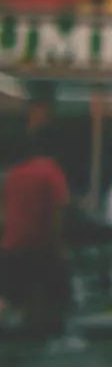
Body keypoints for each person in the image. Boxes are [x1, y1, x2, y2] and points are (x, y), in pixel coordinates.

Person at [0, 127, 76, 351]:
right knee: (56, 291)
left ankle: (26, 336)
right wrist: (58, 243)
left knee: (23, 294)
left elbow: (7, 211)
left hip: (12, 243)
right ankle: (51, 335)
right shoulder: (51, 172)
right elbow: (58, 210)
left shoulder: (14, 174)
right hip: (40, 243)